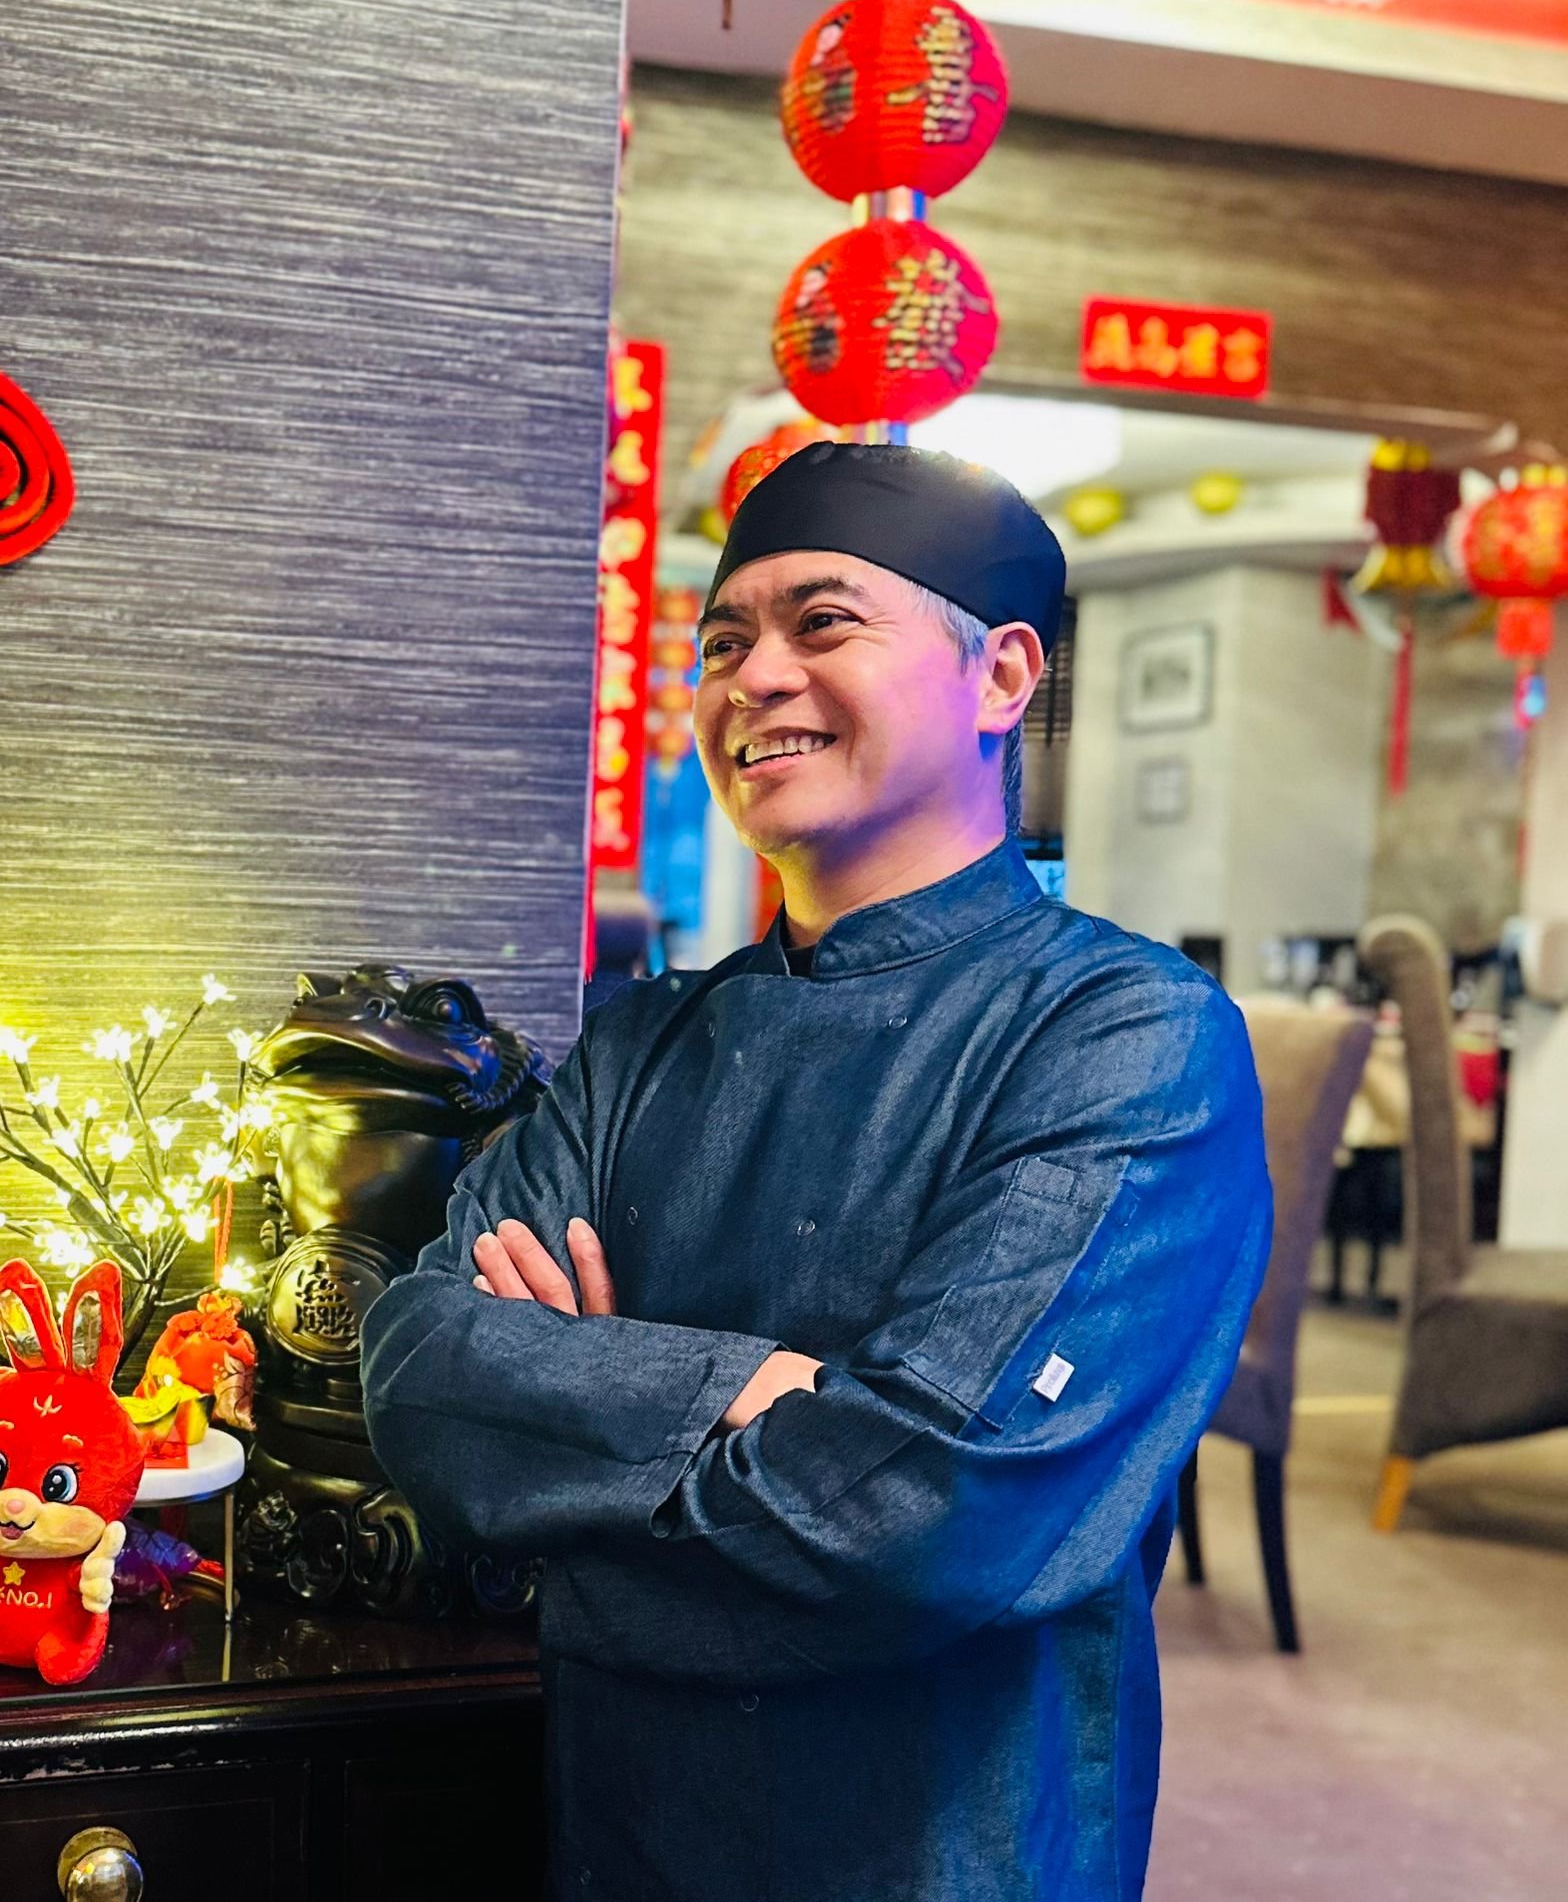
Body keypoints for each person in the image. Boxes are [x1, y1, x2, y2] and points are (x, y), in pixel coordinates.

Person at [361, 442, 1271, 1901]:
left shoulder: (1125, 1035)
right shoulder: (645, 1032)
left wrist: (573, 1434)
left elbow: (921, 1529)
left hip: (941, 1839)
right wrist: (751, 1390)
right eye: (723, 640)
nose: (752, 677)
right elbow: (414, 1372)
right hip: (620, 1826)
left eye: (823, 623)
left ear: (1003, 677)